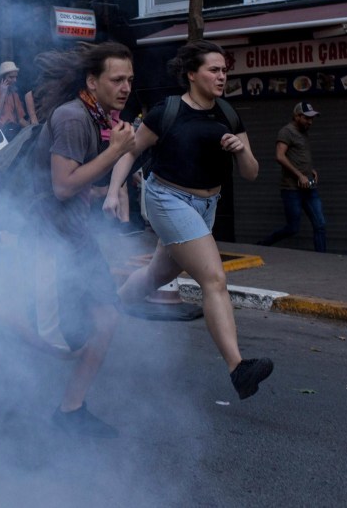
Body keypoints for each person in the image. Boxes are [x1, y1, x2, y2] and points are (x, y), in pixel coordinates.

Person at [104, 40, 273, 401]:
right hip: (166, 198)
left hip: (207, 205)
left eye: (224, 70)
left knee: (156, 275)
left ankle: (107, 309)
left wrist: (241, 151)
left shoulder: (227, 112)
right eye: (214, 70)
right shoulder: (168, 110)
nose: (222, 76)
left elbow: (252, 173)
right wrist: (115, 189)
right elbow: (130, 151)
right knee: (214, 277)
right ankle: (238, 368)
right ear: (192, 74)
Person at [25, 41, 136, 437]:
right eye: (116, 79)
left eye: (129, 80)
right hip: (49, 236)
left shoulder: (99, 117)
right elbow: (61, 186)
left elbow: (79, 181)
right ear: (93, 80)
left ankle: (70, 411)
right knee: (62, 345)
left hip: (75, 234)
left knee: (105, 319)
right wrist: (114, 155)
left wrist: (114, 183)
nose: (125, 87)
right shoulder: (74, 117)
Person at [257, 102, 326, 252]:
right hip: (291, 189)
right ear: (297, 116)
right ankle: (264, 244)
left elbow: (299, 156)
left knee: (320, 224)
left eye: (312, 118)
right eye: (307, 118)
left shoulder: (304, 132)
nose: (310, 121)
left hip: (309, 187)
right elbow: (280, 156)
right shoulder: (286, 132)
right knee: (293, 228)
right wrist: (300, 175)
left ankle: (323, 258)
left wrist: (310, 170)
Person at [0, 61, 29, 140]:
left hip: (12, 136)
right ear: (2, 78)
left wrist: (33, 129)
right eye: (11, 77)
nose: (15, 80)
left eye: (15, 77)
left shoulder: (14, 95)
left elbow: (20, 120)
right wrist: (3, 93)